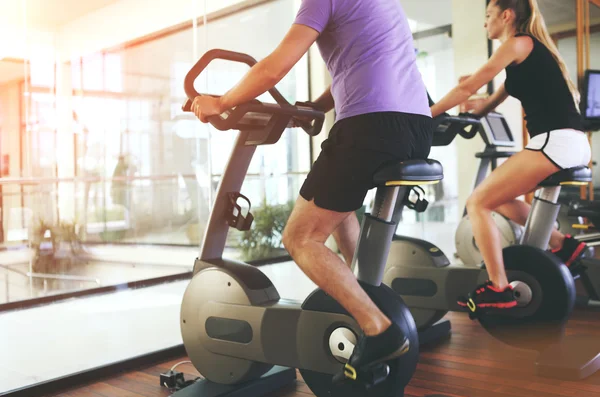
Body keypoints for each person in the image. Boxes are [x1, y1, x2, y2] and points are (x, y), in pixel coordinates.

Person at [190, 0, 433, 370]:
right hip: (416, 126)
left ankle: (380, 332)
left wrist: (220, 102)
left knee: (301, 238)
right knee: (340, 206)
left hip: (371, 126)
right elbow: (364, 61)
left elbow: (274, 68)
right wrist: (317, 105)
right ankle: (367, 299)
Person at [431, 0, 591, 311]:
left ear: (506, 15)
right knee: (498, 199)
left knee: (476, 202)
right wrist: (474, 111)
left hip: (554, 142)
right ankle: (562, 244)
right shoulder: (528, 54)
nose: (485, 23)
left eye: (488, 16)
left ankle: (499, 287)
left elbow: (467, 89)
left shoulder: (518, 43)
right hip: (572, 143)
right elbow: (486, 101)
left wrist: (426, 114)